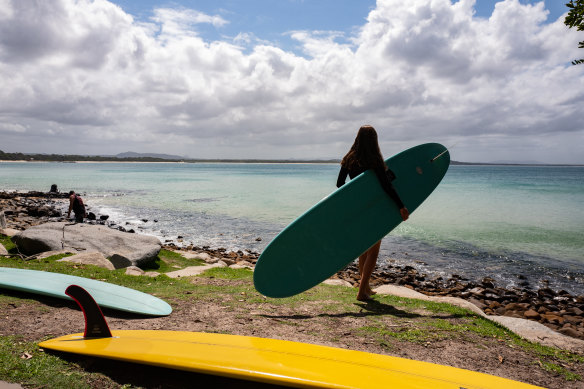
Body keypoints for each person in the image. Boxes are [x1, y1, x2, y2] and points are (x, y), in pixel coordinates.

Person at [337, 125, 409, 301]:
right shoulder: (374, 160)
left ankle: (366, 287)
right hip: (373, 209)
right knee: (374, 250)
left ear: (357, 138)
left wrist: (356, 196)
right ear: (374, 140)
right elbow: (386, 186)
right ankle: (362, 292)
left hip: (358, 209)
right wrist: (401, 206)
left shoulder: (349, 159)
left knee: (364, 249)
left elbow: (340, 184)